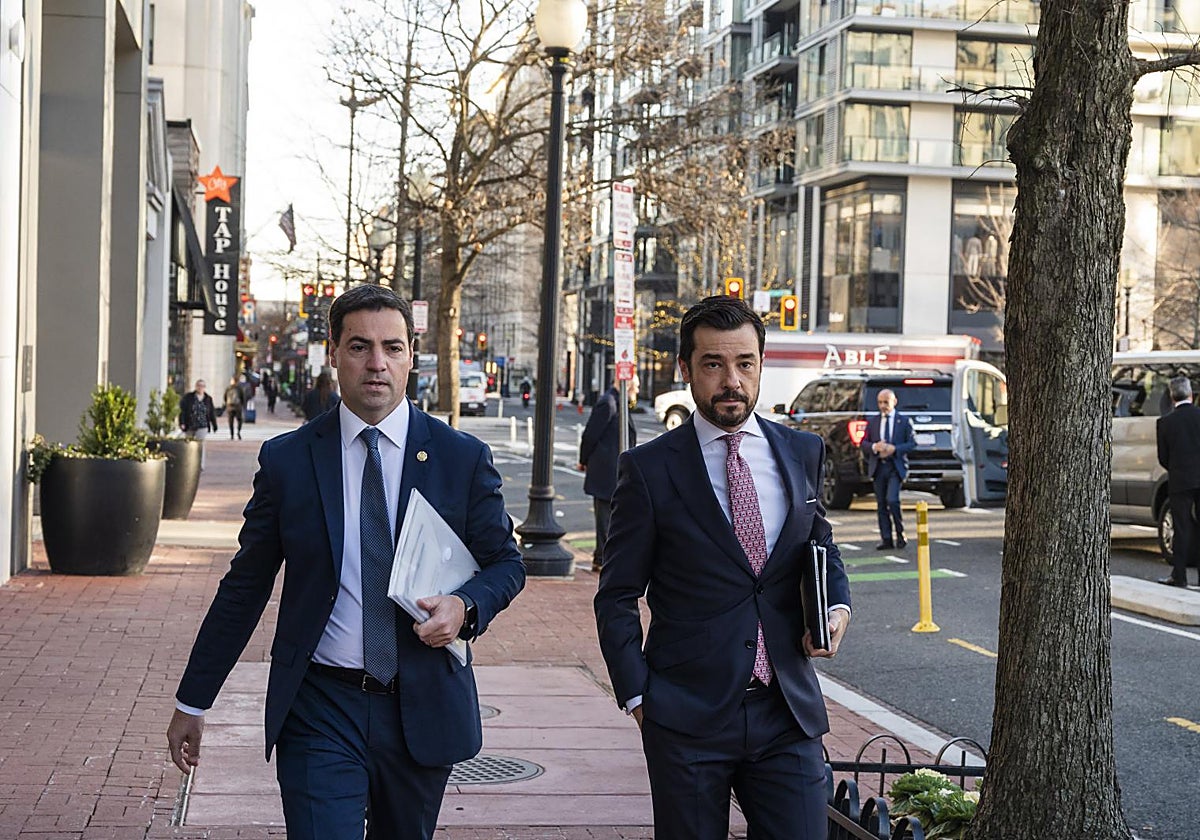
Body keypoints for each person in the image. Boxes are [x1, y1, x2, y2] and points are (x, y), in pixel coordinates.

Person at [166, 284, 526, 840]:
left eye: (392, 347)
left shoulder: (460, 458)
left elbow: (506, 563)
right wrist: (194, 698)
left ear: (411, 355)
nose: (377, 363)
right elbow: (246, 585)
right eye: (359, 346)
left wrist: (464, 606)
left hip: (421, 704)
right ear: (333, 352)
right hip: (319, 707)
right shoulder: (288, 460)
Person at [593, 295, 851, 839]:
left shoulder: (802, 450)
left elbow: (820, 542)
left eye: (744, 363)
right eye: (713, 364)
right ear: (685, 369)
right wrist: (639, 698)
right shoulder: (648, 469)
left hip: (787, 709)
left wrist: (837, 606)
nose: (731, 381)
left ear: (761, 364)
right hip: (685, 715)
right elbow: (616, 595)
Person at [578, 374, 638, 572]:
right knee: (605, 517)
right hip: (606, 471)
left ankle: (605, 557)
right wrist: (583, 460)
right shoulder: (608, 403)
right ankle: (601, 558)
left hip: (615, 471)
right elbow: (590, 435)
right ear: (626, 384)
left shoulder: (618, 402)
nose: (637, 391)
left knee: (611, 517)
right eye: (636, 386)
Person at [1156, 375, 1200, 587]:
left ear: (1172, 397)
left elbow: (1163, 457)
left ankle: (1179, 575)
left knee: (1181, 527)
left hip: (1180, 479)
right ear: (1191, 394)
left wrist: (1176, 468)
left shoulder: (1165, 423)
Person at [861, 388, 916, 550]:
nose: (883, 406)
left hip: (895, 467)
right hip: (879, 467)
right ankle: (886, 538)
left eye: (886, 402)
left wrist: (895, 449)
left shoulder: (903, 421)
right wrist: (874, 446)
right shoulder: (873, 422)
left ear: (894, 402)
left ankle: (900, 532)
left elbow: (912, 444)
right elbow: (863, 443)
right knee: (881, 504)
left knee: (892, 500)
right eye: (880, 402)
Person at [179, 380, 218, 469]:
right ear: (196, 386)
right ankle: (189, 463)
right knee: (189, 445)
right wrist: (182, 422)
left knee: (200, 445)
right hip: (190, 425)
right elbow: (183, 411)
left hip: (202, 426)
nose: (200, 388)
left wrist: (214, 425)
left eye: (202, 386)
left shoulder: (208, 399)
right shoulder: (188, 397)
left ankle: (200, 464)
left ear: (204, 388)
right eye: (198, 386)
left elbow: (211, 412)